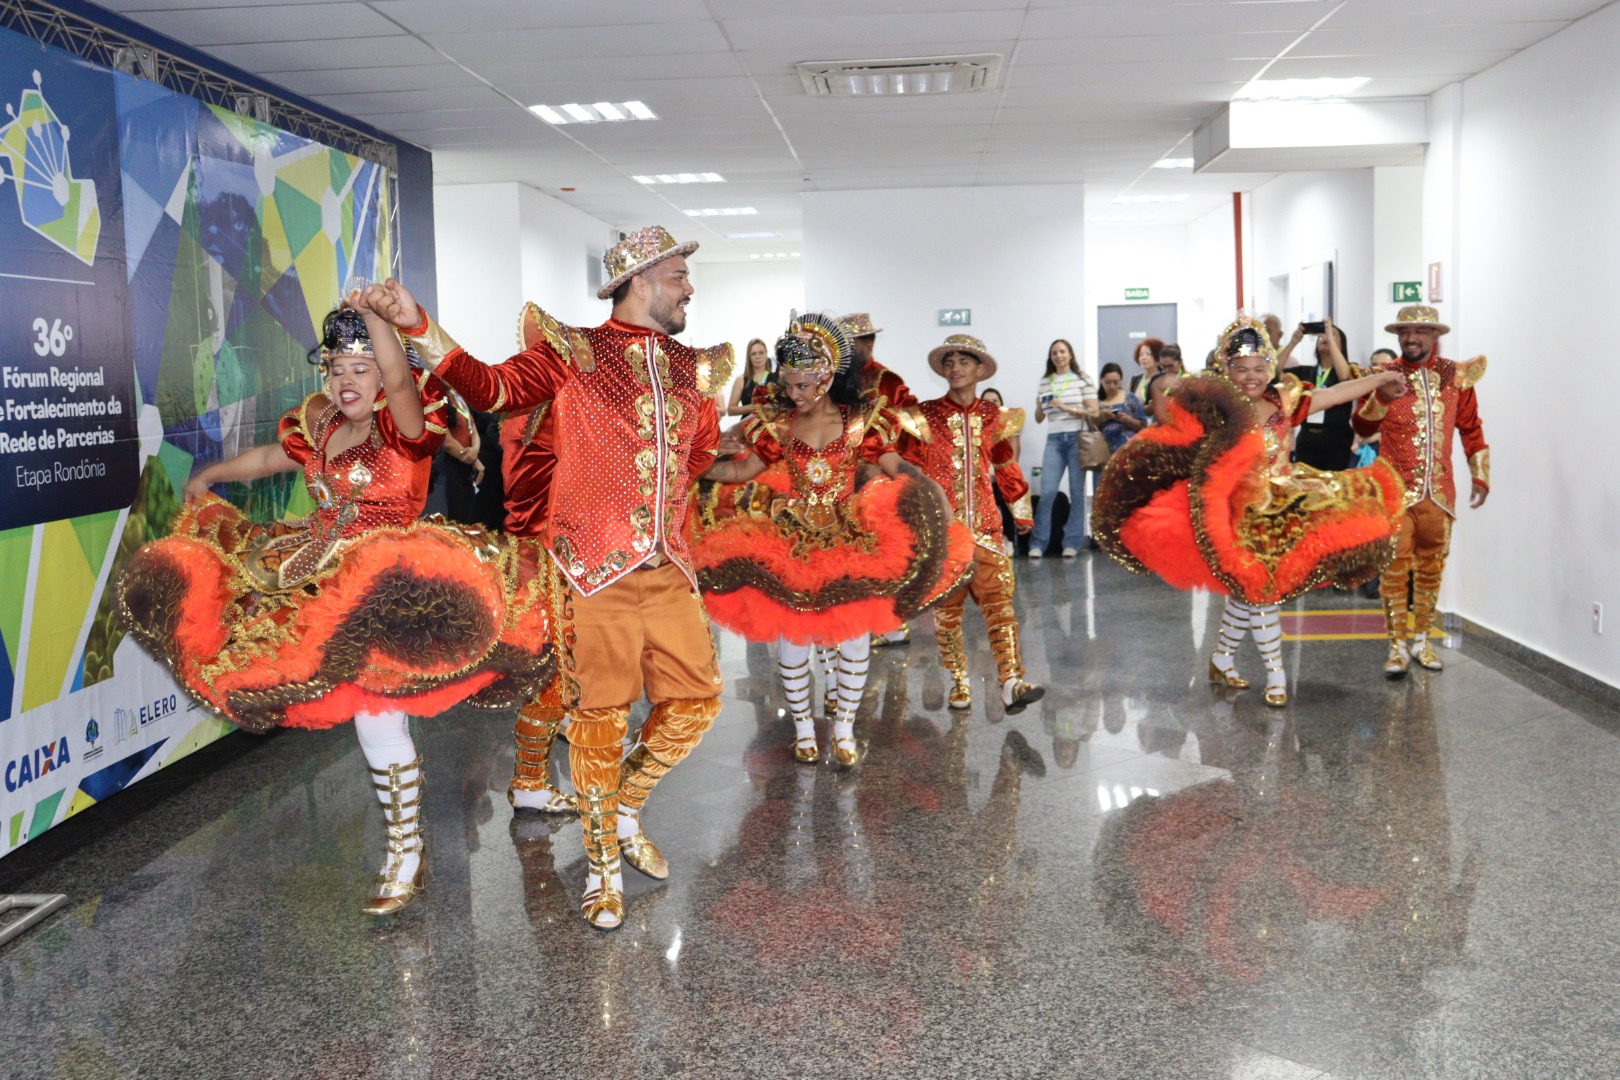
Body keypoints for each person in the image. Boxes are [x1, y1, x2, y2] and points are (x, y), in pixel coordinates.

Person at [115, 303, 555, 917]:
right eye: (337, 368)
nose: (348, 380)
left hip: (385, 590)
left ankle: (404, 852)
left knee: (378, 719)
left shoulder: (402, 427)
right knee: (351, 710)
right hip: (315, 576)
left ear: (382, 376)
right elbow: (273, 459)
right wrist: (211, 475)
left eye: (362, 368)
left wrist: (381, 320)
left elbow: (404, 381)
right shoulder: (318, 429)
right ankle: (407, 849)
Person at [362, 225, 731, 931]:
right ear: (640, 277)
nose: (690, 286)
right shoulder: (573, 353)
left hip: (669, 568)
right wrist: (416, 325)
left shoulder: (694, 366)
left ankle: (620, 808)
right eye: (680, 273)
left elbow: (699, 454)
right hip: (592, 571)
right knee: (597, 721)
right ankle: (599, 869)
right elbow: (492, 388)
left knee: (698, 704)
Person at [695, 313, 972, 765]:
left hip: (849, 542)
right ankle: (804, 730)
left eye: (803, 385)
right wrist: (694, 461)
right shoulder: (779, 426)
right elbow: (740, 471)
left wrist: (931, 490)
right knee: (793, 639)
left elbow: (893, 465)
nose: (794, 395)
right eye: (788, 385)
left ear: (826, 377)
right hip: (789, 544)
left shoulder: (863, 421)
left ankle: (843, 728)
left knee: (856, 638)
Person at [1093, 316, 1408, 706]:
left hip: (1283, 506)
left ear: (1271, 368)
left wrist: (1378, 380)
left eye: (1259, 368)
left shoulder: (1285, 401)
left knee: (1250, 593)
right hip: (1234, 515)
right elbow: (1177, 439)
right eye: (1241, 369)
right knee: (1259, 593)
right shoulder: (1217, 413)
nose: (1251, 376)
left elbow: (1339, 394)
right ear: (1226, 370)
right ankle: (1275, 676)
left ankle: (1223, 659)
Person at [902, 333, 1044, 713]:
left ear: (980, 370)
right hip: (945, 530)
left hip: (986, 526)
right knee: (948, 611)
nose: (955, 369)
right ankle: (958, 681)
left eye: (963, 362)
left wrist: (1021, 510)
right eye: (949, 363)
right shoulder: (925, 416)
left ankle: (1010, 681)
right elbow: (909, 470)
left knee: (1000, 604)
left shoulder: (994, 418)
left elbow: (1005, 466)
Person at [1351, 305, 1489, 678]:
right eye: (1404, 332)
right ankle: (1396, 645)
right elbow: (1361, 424)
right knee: (1394, 569)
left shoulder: (1456, 376)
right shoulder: (1383, 374)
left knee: (1432, 567)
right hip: (1394, 493)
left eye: (1419, 332)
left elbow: (1471, 428)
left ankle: (1422, 640)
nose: (1410, 338)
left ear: (1434, 336)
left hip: (1439, 493)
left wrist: (1481, 475)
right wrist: (1381, 395)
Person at [842, 311, 919, 648]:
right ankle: (858, 620)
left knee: (885, 551)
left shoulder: (889, 381)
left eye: (864, 340)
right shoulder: (836, 380)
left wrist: (895, 472)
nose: (863, 346)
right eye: (853, 341)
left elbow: (912, 429)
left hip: (880, 478)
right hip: (842, 479)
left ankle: (892, 623)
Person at [1030, 338, 1098, 558]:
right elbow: (1039, 418)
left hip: (1077, 438)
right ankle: (1038, 543)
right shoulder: (1045, 381)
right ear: (1051, 357)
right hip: (1054, 439)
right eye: (1054, 353)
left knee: (1077, 492)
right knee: (1047, 491)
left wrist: (1066, 407)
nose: (1058, 356)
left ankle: (1073, 543)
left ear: (1070, 354)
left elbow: (1094, 412)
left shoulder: (1082, 379)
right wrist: (1041, 407)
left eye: (1062, 351)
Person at [1277, 316, 1362, 471]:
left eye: (1332, 334)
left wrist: (1330, 337)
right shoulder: (1305, 371)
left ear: (1342, 345)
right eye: (1322, 335)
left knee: (1333, 490)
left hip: (1337, 439)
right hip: (1307, 438)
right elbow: (1275, 371)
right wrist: (1293, 342)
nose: (1325, 337)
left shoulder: (1350, 369)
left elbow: (1344, 377)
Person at [981, 387, 1021, 553]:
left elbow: (1014, 453)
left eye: (995, 401)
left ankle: (1008, 539)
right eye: (987, 401)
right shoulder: (973, 424)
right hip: (982, 475)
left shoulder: (1009, 423)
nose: (991, 404)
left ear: (1001, 404)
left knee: (1006, 494)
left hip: (1002, 474)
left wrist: (1001, 474)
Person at [1095, 362, 1146, 452]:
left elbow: (1143, 425)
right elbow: (1090, 429)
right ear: (1101, 381)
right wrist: (1100, 417)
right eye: (1108, 382)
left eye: (1115, 382)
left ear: (1121, 380)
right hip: (1104, 451)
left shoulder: (1130, 398)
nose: (1112, 386)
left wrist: (1128, 420)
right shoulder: (1096, 402)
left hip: (1129, 449)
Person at [726, 337, 775, 417]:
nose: (758, 356)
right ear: (749, 357)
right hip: (748, 426)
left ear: (766, 354)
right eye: (754, 353)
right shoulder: (741, 379)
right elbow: (730, 410)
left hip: (772, 427)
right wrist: (753, 407)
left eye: (761, 352)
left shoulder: (776, 377)